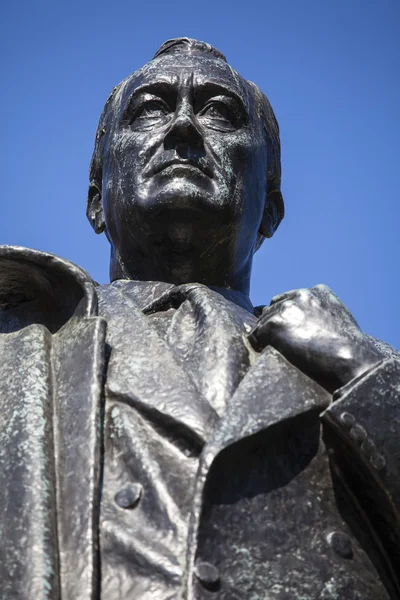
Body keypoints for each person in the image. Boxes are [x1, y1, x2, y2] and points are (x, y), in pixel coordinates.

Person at [0, 38, 399, 600]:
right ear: (96, 199)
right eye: (150, 109)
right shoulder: (19, 347)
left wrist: (364, 369)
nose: (184, 127)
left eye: (220, 112)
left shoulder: (345, 369)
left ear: (273, 210)